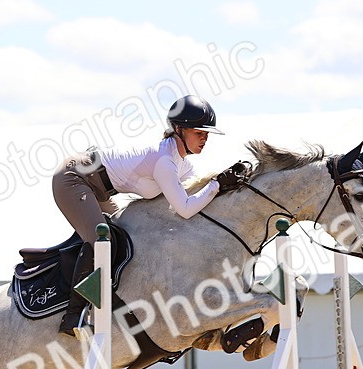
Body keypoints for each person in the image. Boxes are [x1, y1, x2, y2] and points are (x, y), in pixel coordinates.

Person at [52, 95, 247, 335]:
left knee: (126, 233)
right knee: (104, 241)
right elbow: (185, 209)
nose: (204, 139)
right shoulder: (164, 161)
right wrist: (217, 185)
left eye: (206, 134)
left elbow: (196, 193)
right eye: (199, 133)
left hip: (98, 186)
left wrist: (224, 184)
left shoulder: (182, 164)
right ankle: (72, 316)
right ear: (179, 130)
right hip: (74, 178)